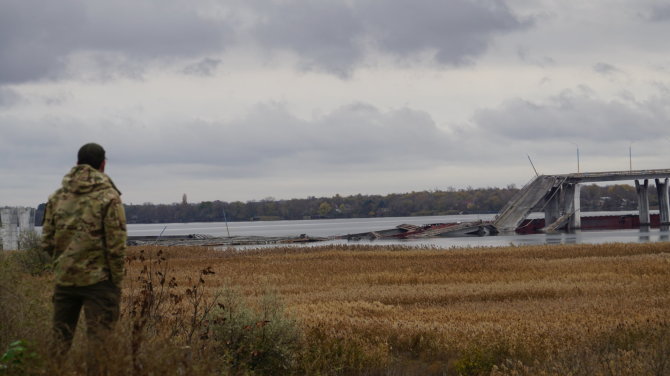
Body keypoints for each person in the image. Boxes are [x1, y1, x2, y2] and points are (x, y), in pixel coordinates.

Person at [41, 143, 127, 370]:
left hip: (65, 281)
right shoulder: (108, 197)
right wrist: (115, 281)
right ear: (103, 165)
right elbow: (116, 245)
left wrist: (63, 263)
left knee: (58, 346)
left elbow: (47, 241)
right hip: (99, 283)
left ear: (77, 164)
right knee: (100, 348)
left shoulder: (58, 196)